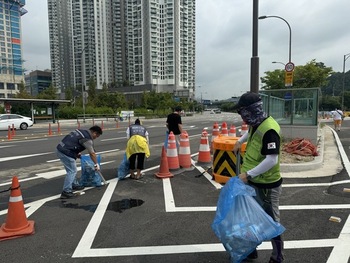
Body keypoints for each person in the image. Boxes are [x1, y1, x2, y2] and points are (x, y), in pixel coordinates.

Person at [232, 92, 284, 263]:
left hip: (267, 185)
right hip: (253, 182)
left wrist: (248, 174)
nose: (241, 116)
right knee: (250, 217)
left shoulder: (269, 129)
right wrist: (240, 141)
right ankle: (251, 250)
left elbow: (271, 159)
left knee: (272, 222)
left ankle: (277, 257)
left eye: (242, 112)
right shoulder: (256, 122)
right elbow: (250, 132)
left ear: (250, 110)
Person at [56, 125, 103, 199]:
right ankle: (66, 191)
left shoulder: (80, 131)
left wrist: (76, 152)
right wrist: (96, 164)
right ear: (94, 133)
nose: (95, 138)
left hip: (61, 148)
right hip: (65, 152)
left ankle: (74, 184)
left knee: (70, 169)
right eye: (97, 136)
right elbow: (92, 153)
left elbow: (73, 140)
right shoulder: (87, 139)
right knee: (72, 171)